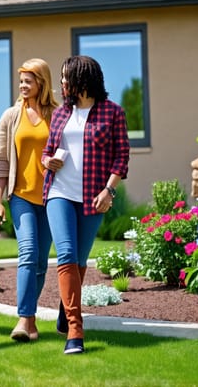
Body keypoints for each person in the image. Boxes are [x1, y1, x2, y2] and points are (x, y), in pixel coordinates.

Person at [42, 55, 129, 355]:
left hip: (94, 196)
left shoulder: (112, 113)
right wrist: (47, 160)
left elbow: (121, 157)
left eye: (66, 77)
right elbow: (47, 150)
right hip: (59, 192)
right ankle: (76, 330)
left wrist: (109, 191)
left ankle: (64, 310)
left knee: (79, 260)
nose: (62, 83)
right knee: (65, 253)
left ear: (83, 78)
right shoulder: (60, 114)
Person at [0, 58, 58, 342]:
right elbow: (2, 161)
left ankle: (30, 323)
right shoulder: (10, 117)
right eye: (20, 81)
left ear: (41, 82)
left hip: (53, 196)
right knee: (28, 254)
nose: (22, 86)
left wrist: (58, 161)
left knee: (41, 262)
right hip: (21, 195)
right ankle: (23, 319)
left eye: (28, 81)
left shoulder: (58, 114)